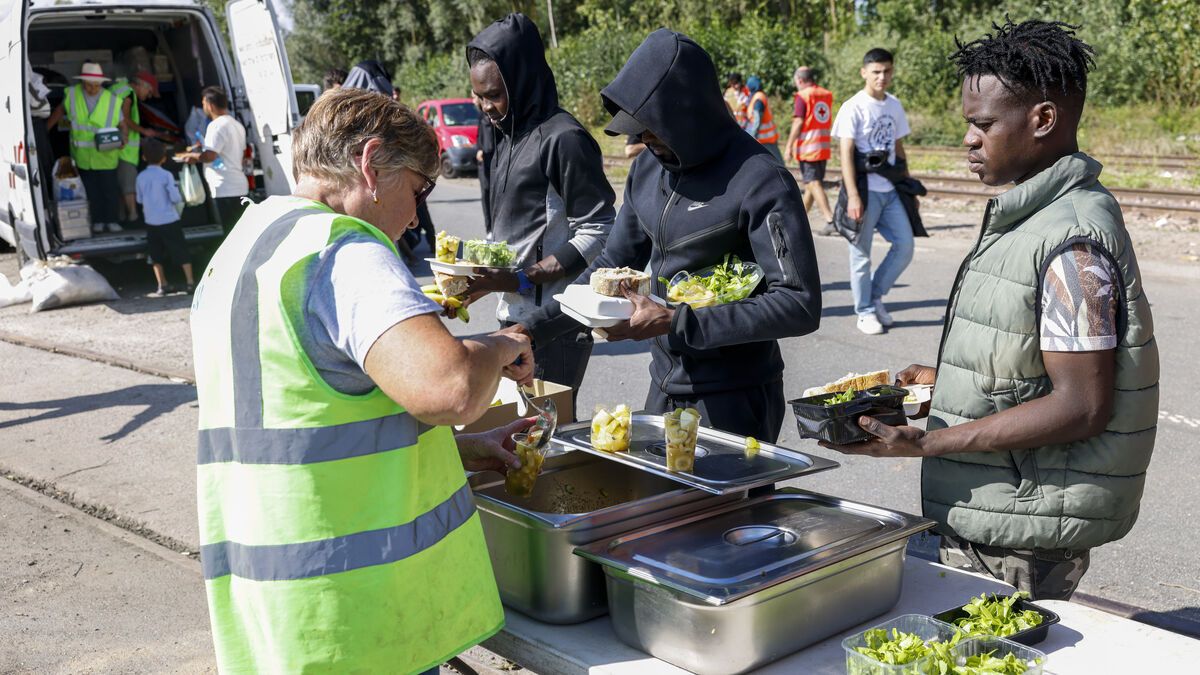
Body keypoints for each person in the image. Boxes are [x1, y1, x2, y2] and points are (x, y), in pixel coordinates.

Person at [190, 87, 535, 673]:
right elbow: (450, 389)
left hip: (276, 604)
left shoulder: (244, 249)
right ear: (371, 163)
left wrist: (463, 451)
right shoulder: (343, 252)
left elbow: (303, 419)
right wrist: (500, 347)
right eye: (419, 190)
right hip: (358, 616)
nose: (416, 216)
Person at [821, 19, 1158, 601]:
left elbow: (1081, 406)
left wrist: (924, 443)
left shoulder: (1071, 239)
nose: (969, 141)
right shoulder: (1031, 215)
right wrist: (947, 382)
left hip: (1020, 532)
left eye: (982, 125)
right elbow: (1024, 357)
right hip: (997, 510)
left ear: (1043, 120)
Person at [518, 29, 821, 442]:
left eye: (653, 130)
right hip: (663, 385)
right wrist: (531, 329)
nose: (645, 140)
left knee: (727, 510)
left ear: (687, 113)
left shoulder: (761, 179)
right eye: (640, 132)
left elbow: (799, 304)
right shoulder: (647, 169)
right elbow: (610, 264)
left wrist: (679, 322)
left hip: (732, 398)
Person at [465, 13, 616, 412]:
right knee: (520, 437)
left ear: (522, 81)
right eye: (478, 96)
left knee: (547, 437)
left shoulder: (565, 139)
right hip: (512, 314)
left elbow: (601, 229)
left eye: (493, 95)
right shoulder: (506, 133)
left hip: (556, 322)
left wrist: (521, 277)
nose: (484, 107)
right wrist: (478, 273)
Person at [831, 48, 914, 335]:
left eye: (887, 71)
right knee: (860, 255)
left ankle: (876, 296)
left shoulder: (894, 105)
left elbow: (899, 147)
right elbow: (845, 154)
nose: (882, 77)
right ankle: (864, 311)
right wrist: (852, 195)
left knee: (905, 246)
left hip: (890, 189)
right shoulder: (853, 106)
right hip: (865, 191)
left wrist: (907, 182)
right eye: (876, 71)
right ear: (864, 72)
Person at [45, 62, 123, 234]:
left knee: (109, 190)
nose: (93, 89)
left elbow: (122, 123)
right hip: (82, 156)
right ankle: (96, 221)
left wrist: (122, 138)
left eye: (96, 85)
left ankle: (111, 220)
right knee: (90, 191)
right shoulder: (72, 95)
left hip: (106, 155)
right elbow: (59, 111)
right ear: (82, 83)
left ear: (101, 83)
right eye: (89, 85)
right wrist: (43, 133)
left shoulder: (112, 100)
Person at [179, 86, 249, 234]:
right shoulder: (237, 125)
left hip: (225, 187)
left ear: (210, 105)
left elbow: (210, 156)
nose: (203, 107)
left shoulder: (216, 126)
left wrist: (193, 157)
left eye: (203, 103)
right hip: (239, 185)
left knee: (231, 234)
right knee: (242, 232)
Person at [135, 138, 193, 297]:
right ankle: (189, 282)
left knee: (155, 255)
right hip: (169, 219)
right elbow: (175, 198)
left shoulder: (140, 177)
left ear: (144, 158)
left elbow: (139, 199)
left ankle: (162, 285)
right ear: (164, 158)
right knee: (180, 250)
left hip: (151, 221)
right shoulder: (166, 175)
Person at [783, 66, 836, 236]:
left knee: (813, 183)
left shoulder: (803, 96)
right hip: (822, 146)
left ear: (799, 80)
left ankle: (830, 219)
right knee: (811, 184)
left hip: (808, 147)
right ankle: (799, 220)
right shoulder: (825, 94)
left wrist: (789, 145)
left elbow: (798, 123)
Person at [111, 71, 162, 228]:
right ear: (141, 85)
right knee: (128, 186)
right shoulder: (128, 94)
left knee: (118, 186)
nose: (149, 96)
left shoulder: (116, 88)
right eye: (149, 91)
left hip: (112, 147)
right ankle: (134, 218)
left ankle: (121, 217)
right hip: (124, 151)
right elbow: (125, 119)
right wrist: (144, 131)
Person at [744, 76, 782, 164]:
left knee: (776, 162)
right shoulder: (758, 96)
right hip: (765, 137)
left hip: (764, 138)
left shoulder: (758, 98)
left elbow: (757, 119)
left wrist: (752, 136)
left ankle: (784, 176)